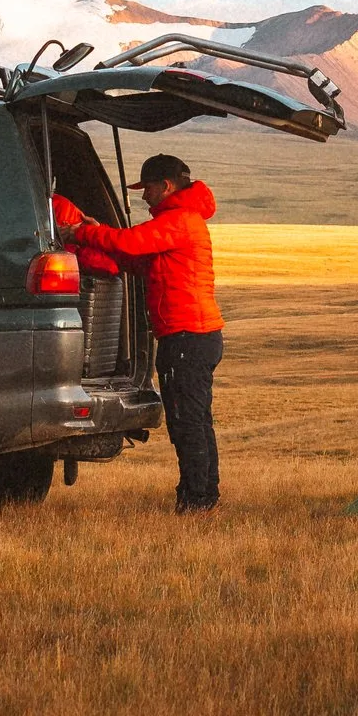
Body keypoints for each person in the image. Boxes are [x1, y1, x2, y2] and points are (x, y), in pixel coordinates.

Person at [54, 154, 225, 512]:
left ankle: (196, 499)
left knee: (186, 420)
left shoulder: (179, 221)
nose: (144, 196)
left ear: (165, 186)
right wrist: (98, 234)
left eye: (147, 188)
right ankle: (202, 494)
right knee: (195, 418)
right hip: (192, 335)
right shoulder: (180, 221)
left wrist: (80, 233)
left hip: (185, 336)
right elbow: (136, 261)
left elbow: (130, 245)